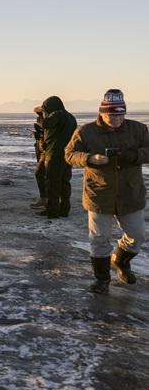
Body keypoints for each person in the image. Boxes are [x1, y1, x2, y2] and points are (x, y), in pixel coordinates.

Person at [65, 89, 149, 293]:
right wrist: (89, 159)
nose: (117, 119)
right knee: (99, 239)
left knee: (136, 235)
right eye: (112, 114)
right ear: (102, 112)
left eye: (121, 114)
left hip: (130, 193)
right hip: (99, 194)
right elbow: (69, 154)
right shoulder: (86, 131)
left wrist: (134, 155)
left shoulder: (138, 129)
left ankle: (120, 261)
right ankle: (102, 280)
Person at [38, 96, 77, 218]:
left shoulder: (57, 114)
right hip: (67, 154)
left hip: (54, 154)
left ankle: (52, 211)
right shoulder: (71, 117)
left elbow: (46, 124)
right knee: (65, 182)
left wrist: (41, 116)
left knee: (52, 183)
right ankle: (64, 209)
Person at [30, 107, 48, 210]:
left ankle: (45, 199)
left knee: (42, 173)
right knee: (42, 174)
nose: (39, 115)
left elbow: (48, 136)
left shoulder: (50, 120)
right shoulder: (41, 119)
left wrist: (41, 136)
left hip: (46, 151)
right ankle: (45, 198)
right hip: (41, 148)